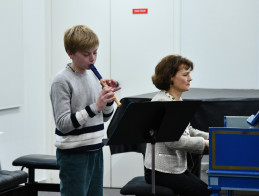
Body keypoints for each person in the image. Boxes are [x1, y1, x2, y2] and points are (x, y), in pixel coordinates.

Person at [50, 25, 121, 196]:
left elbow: (104, 118)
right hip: (74, 154)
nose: (92, 59)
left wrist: (108, 101)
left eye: (95, 52)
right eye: (86, 54)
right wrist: (95, 106)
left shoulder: (93, 76)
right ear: (70, 53)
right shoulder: (61, 80)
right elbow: (63, 124)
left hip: (96, 149)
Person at [144, 55, 211, 196]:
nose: (190, 79)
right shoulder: (163, 102)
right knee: (204, 193)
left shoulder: (176, 100)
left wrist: (215, 136)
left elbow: (188, 130)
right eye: (185, 75)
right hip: (160, 171)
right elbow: (173, 141)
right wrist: (205, 143)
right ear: (170, 77)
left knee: (205, 190)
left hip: (175, 168)